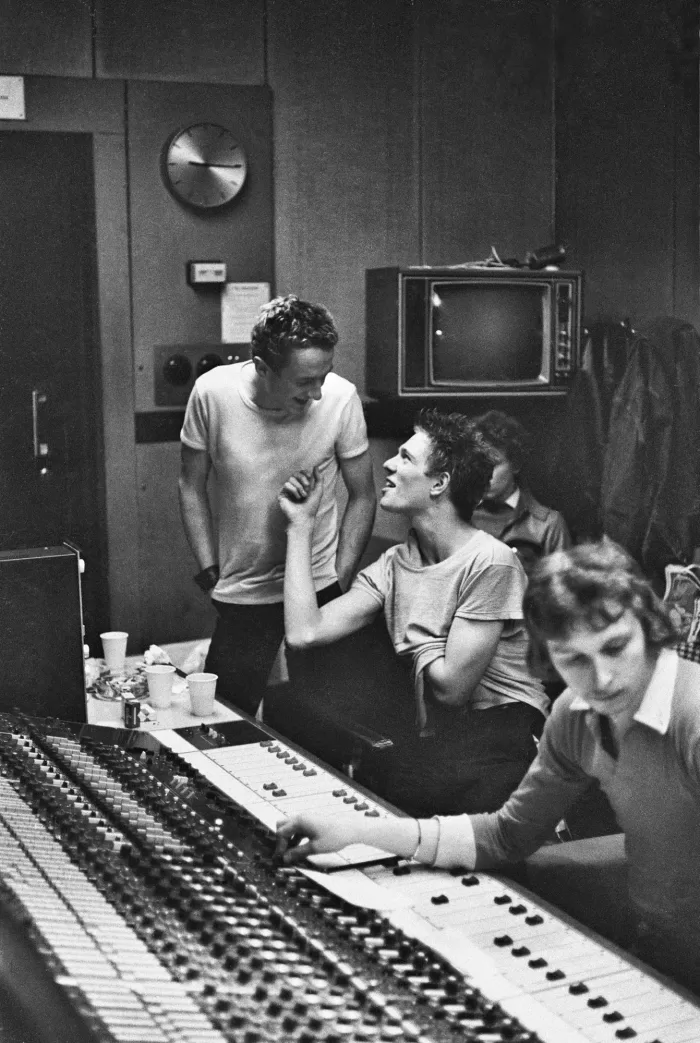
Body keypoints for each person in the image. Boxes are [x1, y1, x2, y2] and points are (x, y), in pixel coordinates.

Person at [275, 539, 700, 996]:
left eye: (616, 646)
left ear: (652, 629)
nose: (602, 679)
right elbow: (504, 836)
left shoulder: (692, 715)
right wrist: (358, 831)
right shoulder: (574, 715)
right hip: (653, 934)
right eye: (573, 659)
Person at [278, 408, 549, 816]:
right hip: (444, 740)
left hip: (506, 732)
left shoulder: (491, 562)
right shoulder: (394, 564)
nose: (387, 463)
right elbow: (303, 633)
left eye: (405, 457)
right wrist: (300, 526)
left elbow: (452, 688)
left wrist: (412, 605)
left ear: (440, 483)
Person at [179, 294, 376, 717]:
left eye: (324, 374)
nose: (318, 392)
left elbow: (364, 495)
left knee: (327, 730)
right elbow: (190, 484)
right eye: (305, 381)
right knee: (221, 722)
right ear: (264, 368)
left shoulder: (341, 399)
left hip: (318, 584)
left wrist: (338, 578)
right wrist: (208, 571)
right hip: (242, 589)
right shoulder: (211, 393)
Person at [470, 410, 571, 574]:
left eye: (492, 464)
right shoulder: (456, 517)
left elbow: (560, 592)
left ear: (515, 464)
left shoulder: (547, 525)